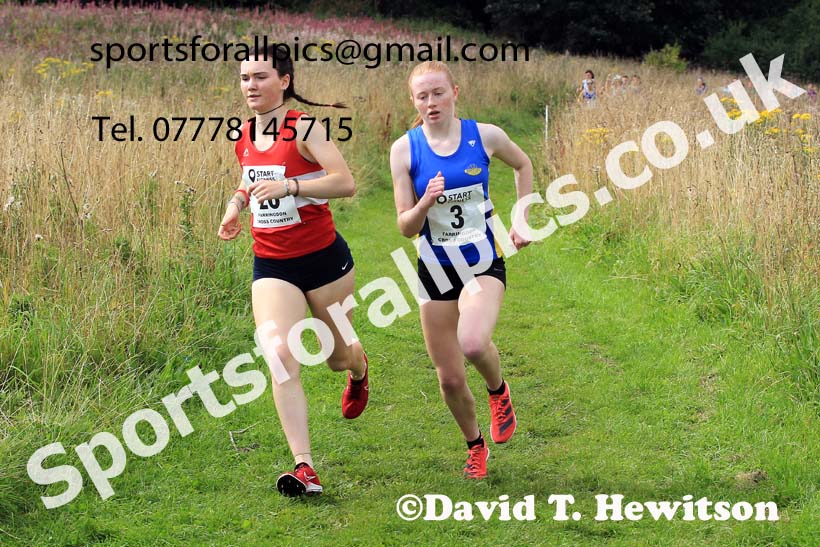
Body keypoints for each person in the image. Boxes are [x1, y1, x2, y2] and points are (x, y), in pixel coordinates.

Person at [217, 45, 369, 497]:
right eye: (245, 78)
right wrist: (235, 205)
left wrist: (292, 185)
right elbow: (249, 178)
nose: (251, 86)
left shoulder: (305, 127)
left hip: (324, 262)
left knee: (336, 356)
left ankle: (359, 370)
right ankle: (305, 467)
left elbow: (346, 182)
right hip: (272, 264)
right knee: (280, 355)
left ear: (283, 80)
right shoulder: (243, 133)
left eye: (261, 77)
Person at [389, 61, 533, 479]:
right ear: (413, 102)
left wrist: (521, 219)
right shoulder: (405, 149)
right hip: (434, 270)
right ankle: (475, 445)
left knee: (472, 343)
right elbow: (404, 227)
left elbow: (522, 165)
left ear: (455, 91)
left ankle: (498, 391)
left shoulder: (484, 135)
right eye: (422, 96)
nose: (431, 102)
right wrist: (422, 204)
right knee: (449, 379)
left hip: (483, 263)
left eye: (438, 93)